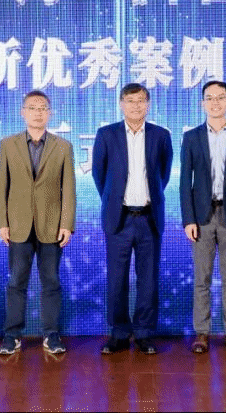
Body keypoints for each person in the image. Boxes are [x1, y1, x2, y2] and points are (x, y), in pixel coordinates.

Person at [92, 83, 173, 355]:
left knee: (148, 279)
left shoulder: (161, 136)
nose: (136, 106)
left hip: (149, 217)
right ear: (121, 104)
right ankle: (119, 333)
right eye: (130, 101)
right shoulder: (107, 134)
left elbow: (163, 174)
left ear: (148, 104)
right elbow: (100, 175)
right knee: (117, 279)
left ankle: (144, 333)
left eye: (141, 101)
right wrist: (115, 200)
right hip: (119, 218)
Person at [0, 90, 76, 355]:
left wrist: (67, 224)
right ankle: (12, 336)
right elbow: (1, 186)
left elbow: (68, 189)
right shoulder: (8, 145)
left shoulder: (63, 146)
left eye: (43, 108)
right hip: (18, 225)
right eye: (32, 107)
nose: (38, 112)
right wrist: (2, 222)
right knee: (16, 281)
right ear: (23, 112)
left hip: (52, 225)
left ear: (50, 113)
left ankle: (51, 335)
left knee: (51, 281)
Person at [180, 80, 226, 354]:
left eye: (220, 97)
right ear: (203, 104)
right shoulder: (191, 137)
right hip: (201, 217)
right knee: (202, 279)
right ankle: (202, 333)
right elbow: (184, 182)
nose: (215, 102)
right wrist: (188, 219)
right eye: (210, 98)